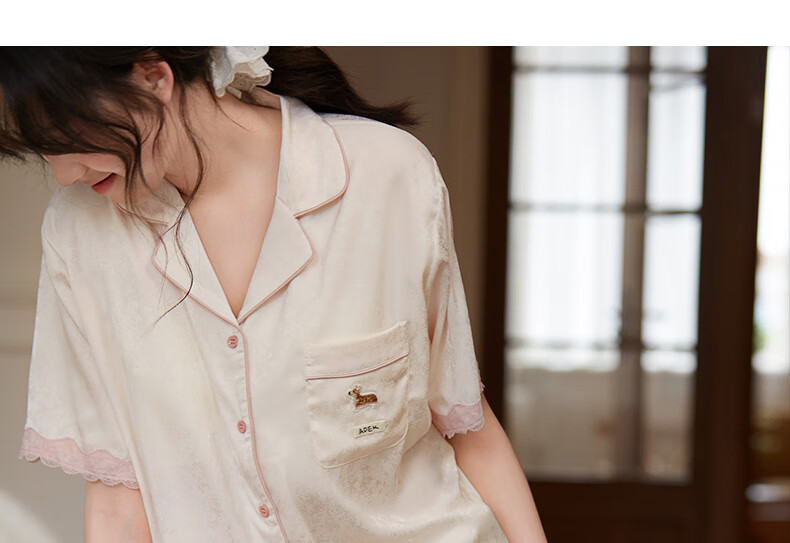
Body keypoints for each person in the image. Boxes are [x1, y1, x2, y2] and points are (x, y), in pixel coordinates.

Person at [0, 46, 547, 542]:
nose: (64, 173)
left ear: (153, 77)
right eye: (42, 150)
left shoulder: (387, 173)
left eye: (68, 135)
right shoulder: (80, 233)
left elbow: (465, 425)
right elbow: (120, 494)